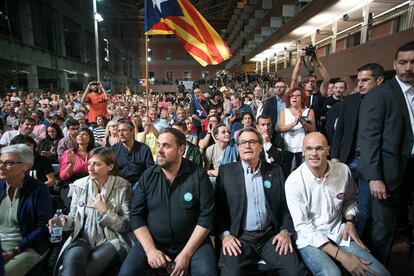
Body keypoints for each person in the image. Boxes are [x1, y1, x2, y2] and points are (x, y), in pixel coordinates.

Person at [285, 132, 390, 276]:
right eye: (309, 149)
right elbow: (304, 228)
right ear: (303, 152)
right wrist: (343, 257)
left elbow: (351, 199)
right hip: (309, 240)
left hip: (338, 232)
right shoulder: (293, 182)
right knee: (332, 273)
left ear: (327, 150)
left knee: (380, 273)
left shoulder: (343, 170)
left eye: (319, 148)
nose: (314, 153)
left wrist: (350, 221)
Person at [119, 128, 216, 276]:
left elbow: (206, 218)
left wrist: (186, 254)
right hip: (154, 241)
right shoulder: (148, 176)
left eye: (166, 146)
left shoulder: (198, 176)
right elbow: (136, 216)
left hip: (193, 243)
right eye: (158, 145)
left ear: (181, 149)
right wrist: (150, 250)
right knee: (126, 273)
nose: (159, 150)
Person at [216, 127, 306, 276]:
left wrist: (285, 231)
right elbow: (219, 211)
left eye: (252, 142)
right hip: (240, 238)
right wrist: (225, 236)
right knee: (230, 273)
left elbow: (286, 208)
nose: (247, 146)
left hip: (271, 238)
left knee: (295, 271)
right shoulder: (226, 172)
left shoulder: (276, 171)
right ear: (238, 148)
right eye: (243, 142)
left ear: (260, 146)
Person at [358, 41, 414, 264]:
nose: (408, 67)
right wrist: (374, 177)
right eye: (403, 62)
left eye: (413, 62)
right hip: (387, 174)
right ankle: (375, 269)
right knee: (383, 230)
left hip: (412, 167)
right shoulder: (381, 94)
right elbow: (369, 139)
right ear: (395, 64)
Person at [51, 147, 133, 276]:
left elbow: (126, 225)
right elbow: (73, 219)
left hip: (111, 240)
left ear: (110, 167)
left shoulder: (123, 186)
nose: (90, 168)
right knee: (72, 264)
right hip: (82, 238)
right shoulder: (79, 185)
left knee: (86, 272)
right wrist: (64, 220)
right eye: (89, 163)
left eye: (96, 164)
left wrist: (105, 211)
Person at [331, 63, 385, 236]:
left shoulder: (387, 101)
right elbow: (340, 131)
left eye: (365, 80)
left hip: (370, 164)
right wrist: (335, 157)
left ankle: (355, 239)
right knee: (338, 200)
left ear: (380, 80)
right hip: (347, 159)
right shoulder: (350, 101)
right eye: (358, 80)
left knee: (363, 207)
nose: (360, 84)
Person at [0, 144, 53, 275]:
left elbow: (42, 227)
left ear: (25, 167)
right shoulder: (0, 186)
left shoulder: (39, 190)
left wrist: (15, 251)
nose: (1, 167)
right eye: (0, 162)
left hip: (28, 246)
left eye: (8, 163)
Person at [279, 87, 315, 172]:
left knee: (302, 172)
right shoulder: (284, 112)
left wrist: (302, 121)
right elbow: (281, 128)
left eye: (297, 95)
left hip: (303, 148)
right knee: (286, 172)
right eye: (292, 96)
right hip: (287, 147)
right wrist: (294, 123)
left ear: (302, 98)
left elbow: (312, 129)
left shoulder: (309, 111)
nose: (294, 97)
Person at [112, 120, 154, 187]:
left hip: (140, 185)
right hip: (119, 185)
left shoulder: (144, 149)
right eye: (119, 131)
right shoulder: (114, 149)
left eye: (124, 130)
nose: (121, 134)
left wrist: (141, 183)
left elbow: (150, 170)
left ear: (132, 131)